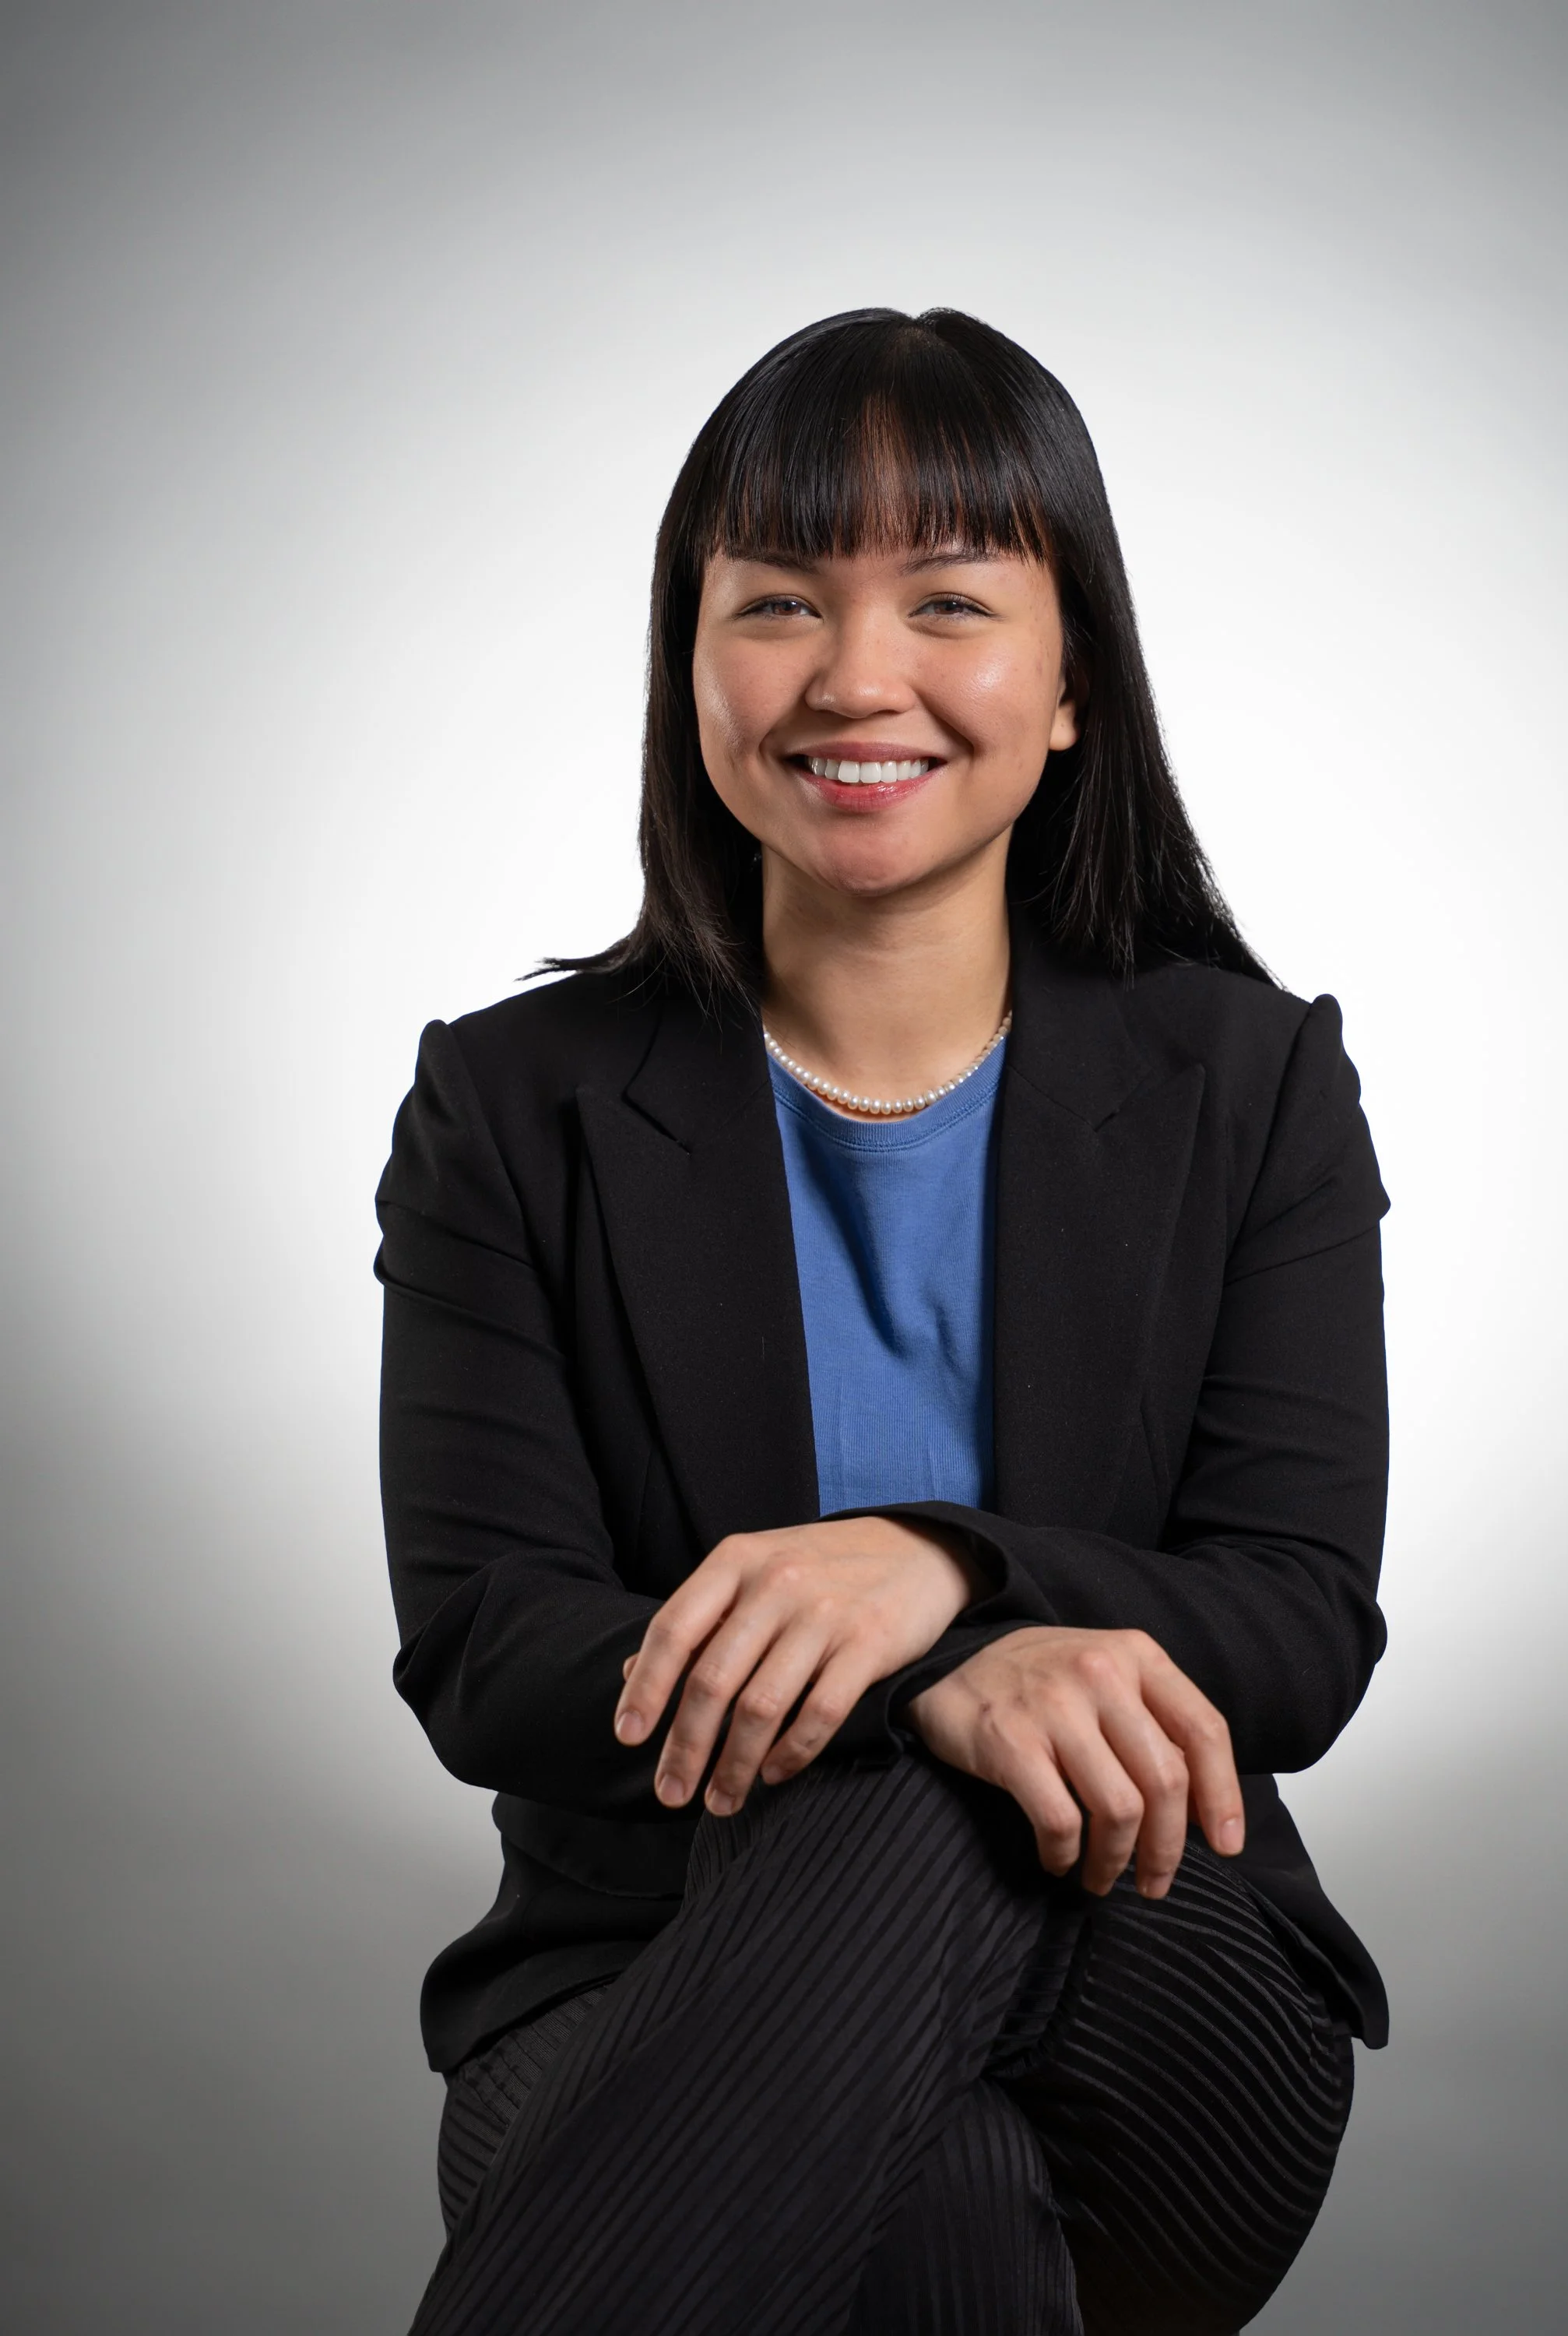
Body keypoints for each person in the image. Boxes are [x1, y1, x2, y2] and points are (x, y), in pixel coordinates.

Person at [376, 306, 1390, 2336]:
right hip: (639, 1976)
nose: (856, 676)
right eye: (777, 602)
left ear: (1072, 681)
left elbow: (1293, 1625)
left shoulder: (1252, 1081)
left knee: (926, 1817)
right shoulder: (511, 1104)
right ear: (689, 670)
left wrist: (940, 1573)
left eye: (949, 600)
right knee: (938, 2202)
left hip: (1157, 1966)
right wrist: (929, 1684)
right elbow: (491, 1651)